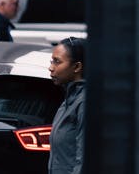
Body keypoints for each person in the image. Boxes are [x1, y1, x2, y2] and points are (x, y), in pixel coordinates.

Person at [49, 37, 86, 174]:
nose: (51, 68)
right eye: (52, 61)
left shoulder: (83, 102)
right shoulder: (69, 99)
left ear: (77, 67)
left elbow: (83, 160)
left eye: (57, 62)